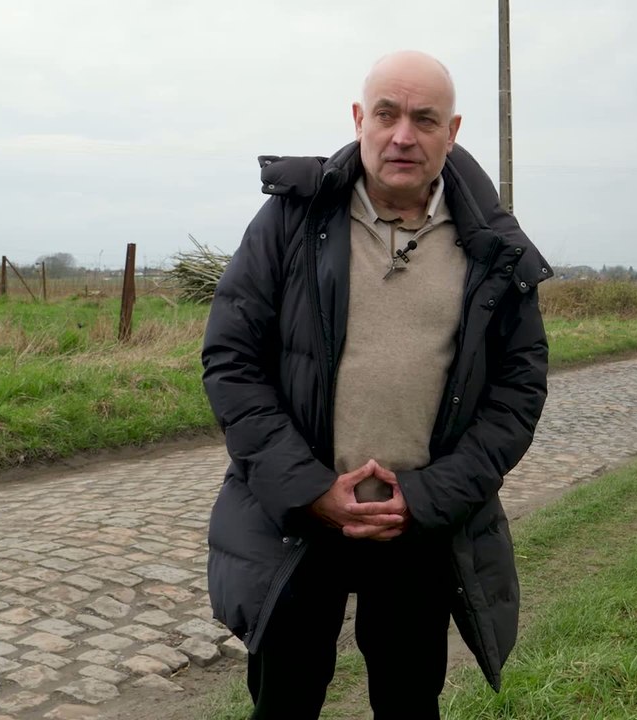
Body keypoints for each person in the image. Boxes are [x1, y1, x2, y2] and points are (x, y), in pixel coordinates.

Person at [201, 50, 552, 719]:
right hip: (299, 520)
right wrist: (309, 489)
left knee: (410, 701)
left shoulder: (494, 247)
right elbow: (231, 360)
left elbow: (518, 391)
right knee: (283, 701)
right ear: (360, 119)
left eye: (425, 119)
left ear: (452, 132)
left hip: (417, 525)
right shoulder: (292, 220)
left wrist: (425, 496)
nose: (403, 136)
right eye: (387, 115)